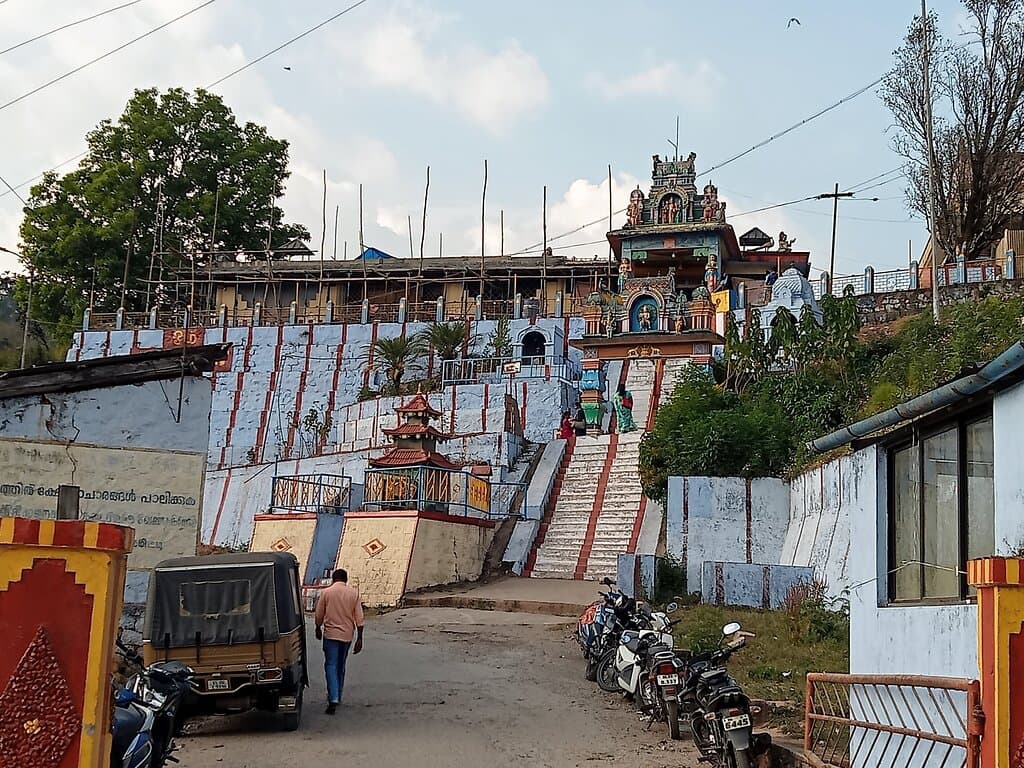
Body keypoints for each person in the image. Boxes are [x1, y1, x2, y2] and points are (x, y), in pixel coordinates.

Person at [314, 568, 365, 715]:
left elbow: (319, 614)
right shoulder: (353, 594)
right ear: (346, 580)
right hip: (347, 635)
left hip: (330, 635)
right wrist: (359, 638)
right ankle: (338, 694)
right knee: (341, 665)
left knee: (331, 665)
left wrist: (318, 627)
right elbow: (359, 618)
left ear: (333, 579)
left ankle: (333, 697)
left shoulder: (327, 593)